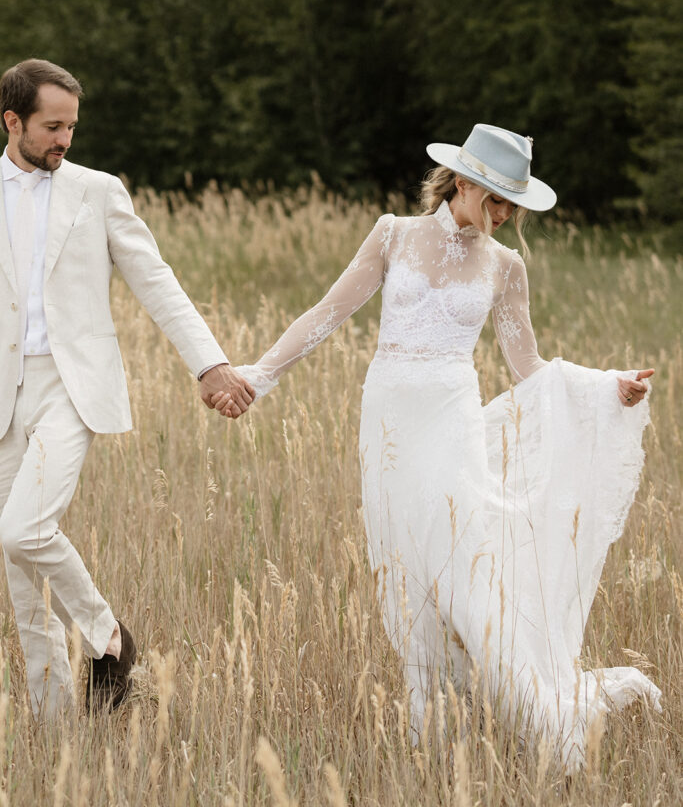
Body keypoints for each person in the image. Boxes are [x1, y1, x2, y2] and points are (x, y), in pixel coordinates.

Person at [212, 122, 661, 770]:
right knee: (409, 577)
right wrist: (260, 374)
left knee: (463, 576)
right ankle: (433, 732)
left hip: (452, 425)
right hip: (389, 425)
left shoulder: (505, 267)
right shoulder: (392, 234)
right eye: (496, 199)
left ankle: (543, 711)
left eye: (512, 205)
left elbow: (528, 368)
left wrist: (604, 388)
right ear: (463, 182)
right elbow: (326, 313)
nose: (503, 215)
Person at [0, 58, 255, 718]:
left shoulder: (98, 191)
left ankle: (109, 637)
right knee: (22, 581)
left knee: (23, 531)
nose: (64, 139)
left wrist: (209, 364)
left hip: (71, 388)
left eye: (71, 127)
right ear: (12, 121)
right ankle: (56, 727)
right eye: (51, 127)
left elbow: (155, 279)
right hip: (3, 393)